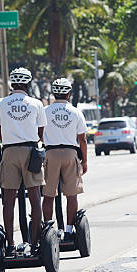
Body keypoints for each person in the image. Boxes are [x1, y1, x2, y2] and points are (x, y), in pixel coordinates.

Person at [0, 67, 47, 256]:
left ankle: (10, 243)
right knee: (35, 196)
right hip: (31, 150)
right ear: (28, 83)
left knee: (8, 199)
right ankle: (37, 241)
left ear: (11, 84)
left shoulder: (0, 103)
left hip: (9, 150)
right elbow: (40, 133)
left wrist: (9, 141)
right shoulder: (36, 103)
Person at [41, 78, 88, 239]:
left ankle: (48, 229)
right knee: (71, 194)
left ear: (54, 93)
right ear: (68, 94)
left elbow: (39, 133)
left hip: (51, 152)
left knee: (48, 195)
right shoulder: (75, 112)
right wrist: (85, 161)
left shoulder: (45, 111)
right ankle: (68, 230)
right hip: (70, 153)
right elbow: (82, 139)